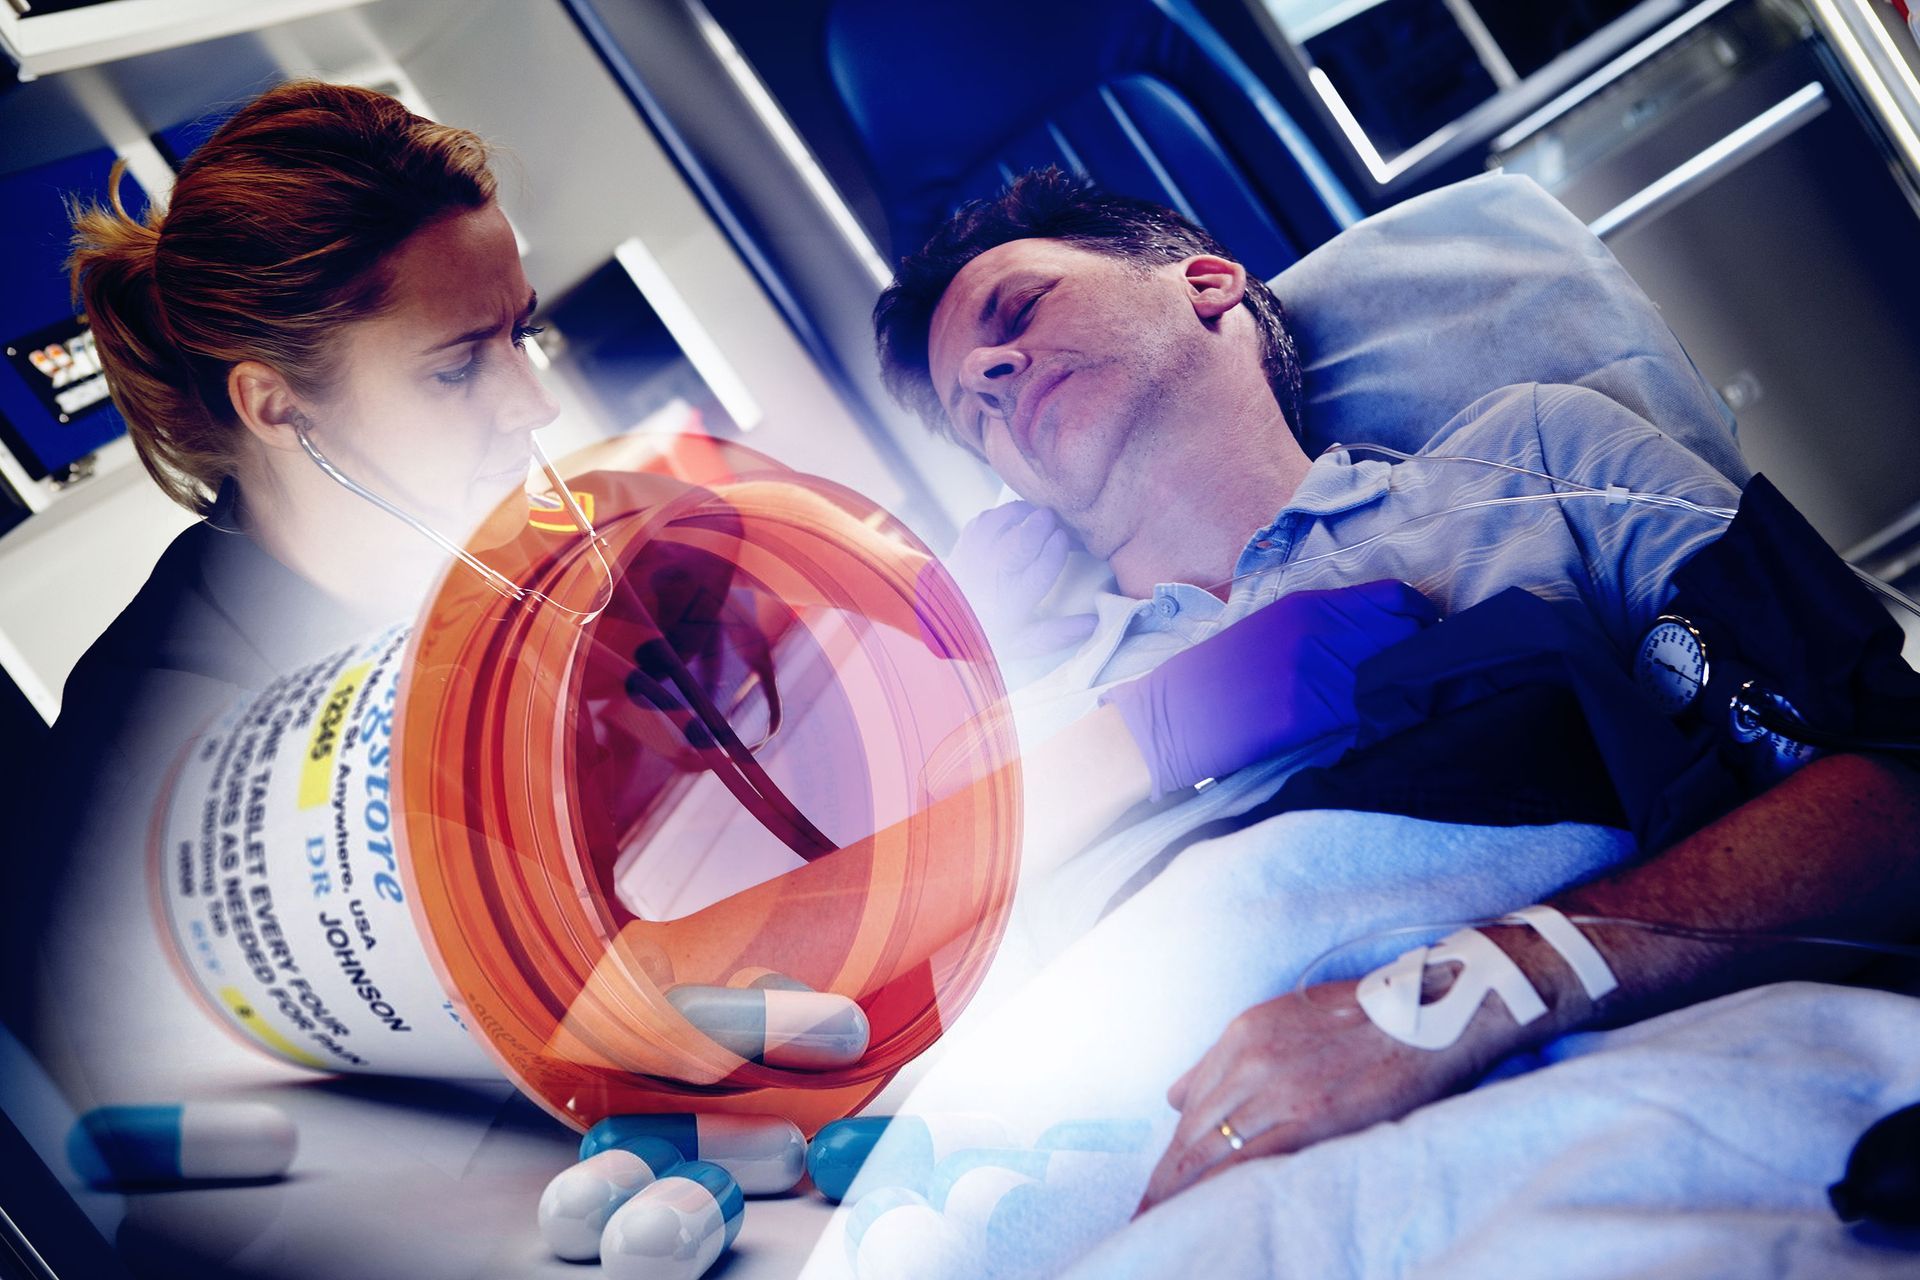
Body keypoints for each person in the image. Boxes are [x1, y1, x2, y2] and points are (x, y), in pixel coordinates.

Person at [870, 168, 1920, 1214]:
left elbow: (1893, 786)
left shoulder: (1533, 461)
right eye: (974, 411)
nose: (997, 373)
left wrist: (1460, 996)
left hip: (1625, 1124)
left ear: (1207, 283)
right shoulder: (1028, 755)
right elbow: (913, 1074)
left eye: (1021, 310)